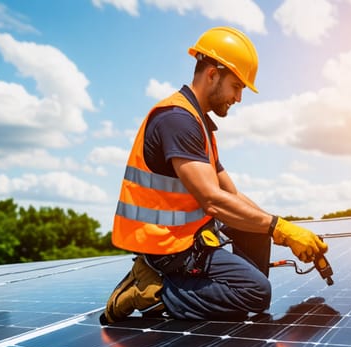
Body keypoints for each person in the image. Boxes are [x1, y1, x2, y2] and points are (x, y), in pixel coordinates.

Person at [100, 26, 328, 324]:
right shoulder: (177, 120)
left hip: (189, 237)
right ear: (212, 74)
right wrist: (278, 228)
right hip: (167, 247)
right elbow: (211, 200)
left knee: (255, 228)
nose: (239, 98)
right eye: (236, 86)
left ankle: (202, 287)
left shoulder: (199, 124)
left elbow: (231, 194)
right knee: (256, 293)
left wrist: (284, 229)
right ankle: (153, 287)